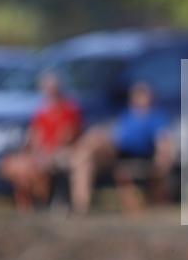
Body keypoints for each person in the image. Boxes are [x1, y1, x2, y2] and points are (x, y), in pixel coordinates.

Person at [69, 82, 174, 214]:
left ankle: (77, 156)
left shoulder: (156, 117)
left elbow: (163, 140)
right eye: (137, 94)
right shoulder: (126, 115)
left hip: (134, 153)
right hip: (116, 150)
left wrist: (162, 160)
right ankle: (81, 206)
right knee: (87, 153)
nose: (140, 98)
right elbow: (116, 135)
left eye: (143, 94)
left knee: (92, 139)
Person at [0, 72, 81, 212]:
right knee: (19, 167)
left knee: (38, 166)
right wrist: (35, 152)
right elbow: (35, 137)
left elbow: (67, 137)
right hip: (42, 153)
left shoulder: (69, 110)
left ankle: (42, 202)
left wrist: (45, 153)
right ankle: (27, 205)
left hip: (61, 152)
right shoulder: (42, 112)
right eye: (46, 88)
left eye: (52, 88)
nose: (49, 92)